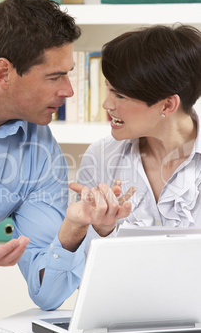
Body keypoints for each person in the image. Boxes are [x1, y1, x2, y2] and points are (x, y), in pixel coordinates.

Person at [0, 0, 133, 311]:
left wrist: (74, 228)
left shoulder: (41, 153)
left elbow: (46, 292)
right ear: (4, 73)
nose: (68, 90)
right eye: (55, 77)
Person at [72, 24, 201, 253]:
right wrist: (103, 230)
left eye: (120, 95)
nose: (107, 105)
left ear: (168, 105)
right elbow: (82, 269)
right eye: (108, 90)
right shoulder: (100, 158)